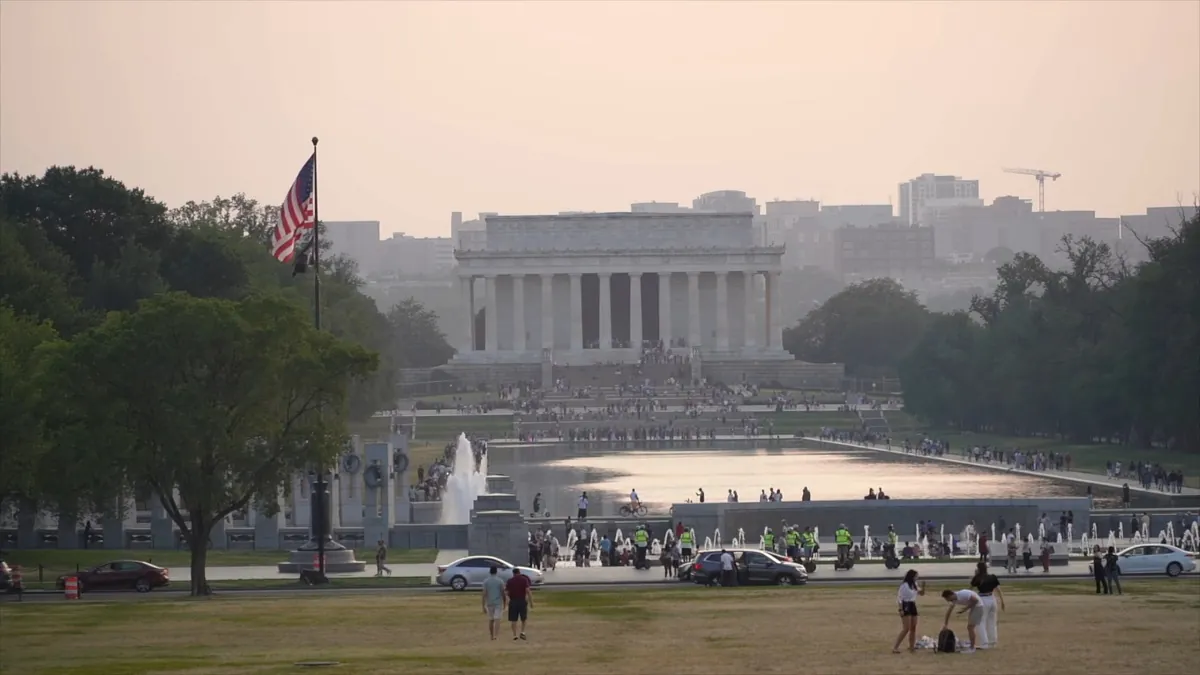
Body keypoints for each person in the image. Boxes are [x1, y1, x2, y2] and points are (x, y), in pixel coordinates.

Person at [970, 561, 1005, 648]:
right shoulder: (992, 577)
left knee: (980, 622)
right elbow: (998, 590)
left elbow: (970, 589)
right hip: (992, 599)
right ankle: (992, 641)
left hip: (982, 599)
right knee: (992, 621)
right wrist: (1002, 601)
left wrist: (975, 575)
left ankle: (984, 642)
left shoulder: (978, 578)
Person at [892, 569, 926, 653]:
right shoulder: (904, 585)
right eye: (916, 576)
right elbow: (899, 598)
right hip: (905, 604)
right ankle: (895, 647)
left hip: (912, 604)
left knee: (913, 627)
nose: (917, 578)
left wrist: (924, 587)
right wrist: (901, 609)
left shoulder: (914, 585)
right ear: (912, 576)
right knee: (906, 628)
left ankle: (911, 646)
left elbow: (921, 593)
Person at [941, 588, 982, 653]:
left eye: (947, 599)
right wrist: (945, 624)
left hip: (978, 606)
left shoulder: (962, 594)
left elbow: (976, 600)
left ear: (950, 595)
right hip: (974, 607)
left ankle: (972, 648)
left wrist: (965, 609)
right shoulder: (954, 600)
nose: (948, 601)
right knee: (970, 627)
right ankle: (972, 645)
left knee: (970, 627)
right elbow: (949, 611)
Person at [505, 568, 533, 640]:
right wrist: (531, 602)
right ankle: (522, 632)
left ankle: (514, 635)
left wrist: (507, 602)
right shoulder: (524, 580)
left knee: (513, 619)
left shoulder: (510, 581)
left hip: (513, 601)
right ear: (519, 572)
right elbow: (528, 591)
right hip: (522, 601)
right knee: (524, 618)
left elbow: (507, 593)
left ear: (513, 573)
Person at [481, 566, 506, 641]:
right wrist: (505, 602)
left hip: (489, 602)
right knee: (497, 619)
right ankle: (496, 635)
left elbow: (484, 594)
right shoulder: (500, 581)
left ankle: (492, 635)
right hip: (498, 602)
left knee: (491, 619)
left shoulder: (486, 581)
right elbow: (503, 592)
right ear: (496, 572)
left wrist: (483, 605)